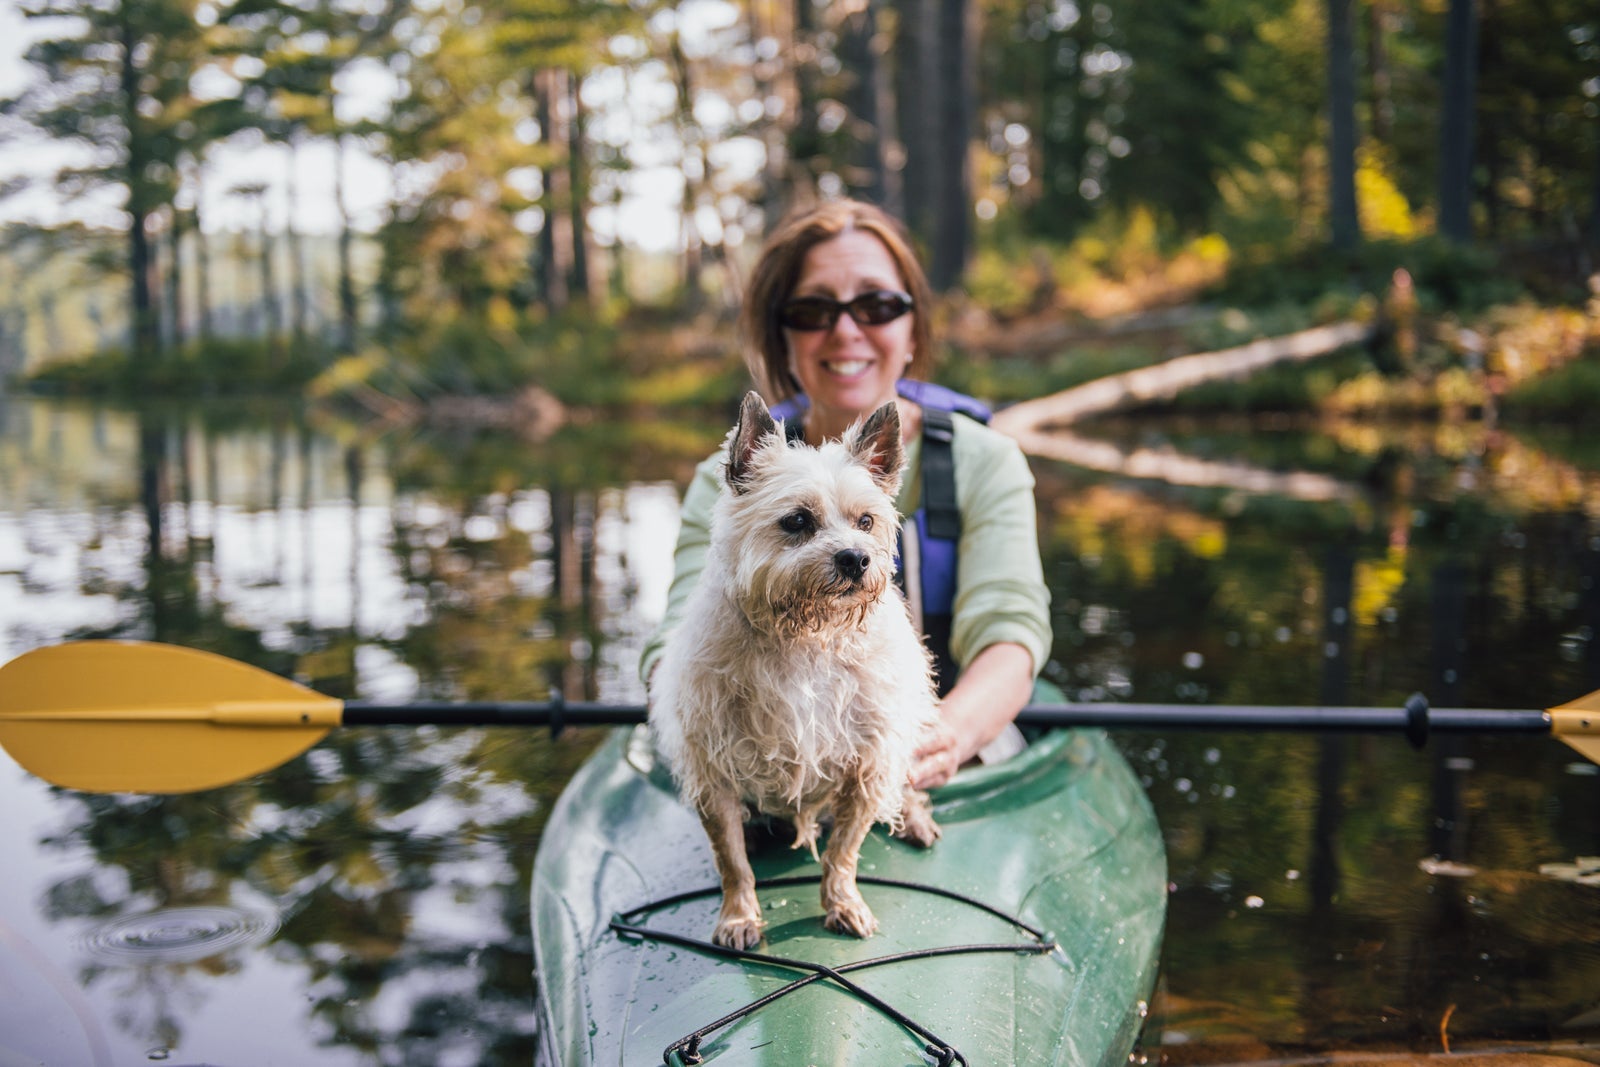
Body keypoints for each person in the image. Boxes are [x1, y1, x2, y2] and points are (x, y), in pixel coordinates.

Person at [639, 199, 1051, 790]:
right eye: (813, 310)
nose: (846, 331)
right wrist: (703, 720)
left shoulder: (982, 460)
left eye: (877, 306)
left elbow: (1009, 635)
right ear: (781, 339)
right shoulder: (730, 478)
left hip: (924, 732)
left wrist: (936, 740)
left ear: (912, 331)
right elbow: (675, 637)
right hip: (763, 745)